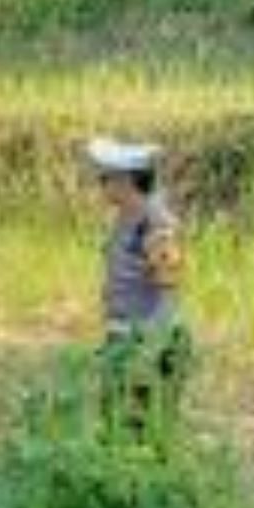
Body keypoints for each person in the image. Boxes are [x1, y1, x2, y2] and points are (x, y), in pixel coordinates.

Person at [88, 138, 189, 434]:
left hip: (145, 340)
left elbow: (169, 289)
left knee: (139, 431)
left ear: (125, 181)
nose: (101, 186)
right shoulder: (125, 218)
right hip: (124, 335)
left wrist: (149, 347)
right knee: (115, 425)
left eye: (105, 179)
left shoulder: (155, 224)